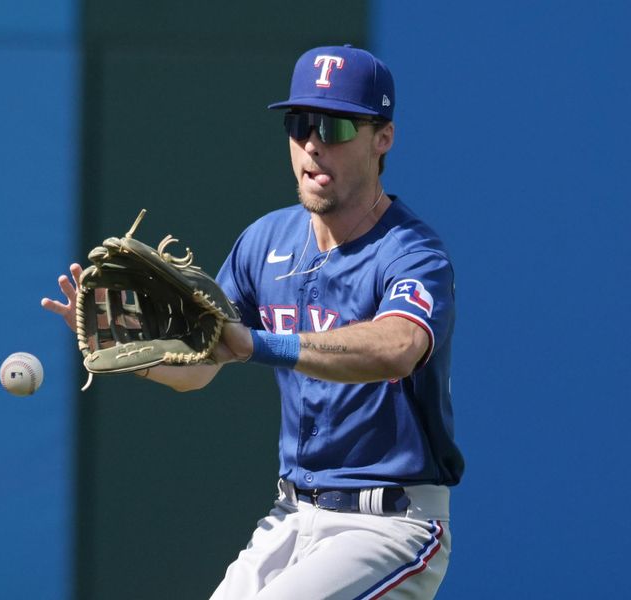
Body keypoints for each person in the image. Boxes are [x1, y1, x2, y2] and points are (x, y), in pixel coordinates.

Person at [43, 44, 464, 599]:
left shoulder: (411, 253)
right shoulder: (265, 241)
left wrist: (259, 343)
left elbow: (399, 346)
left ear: (382, 138)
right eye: (300, 123)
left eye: (335, 127)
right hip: (291, 514)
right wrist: (130, 348)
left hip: (390, 522)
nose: (312, 142)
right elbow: (203, 364)